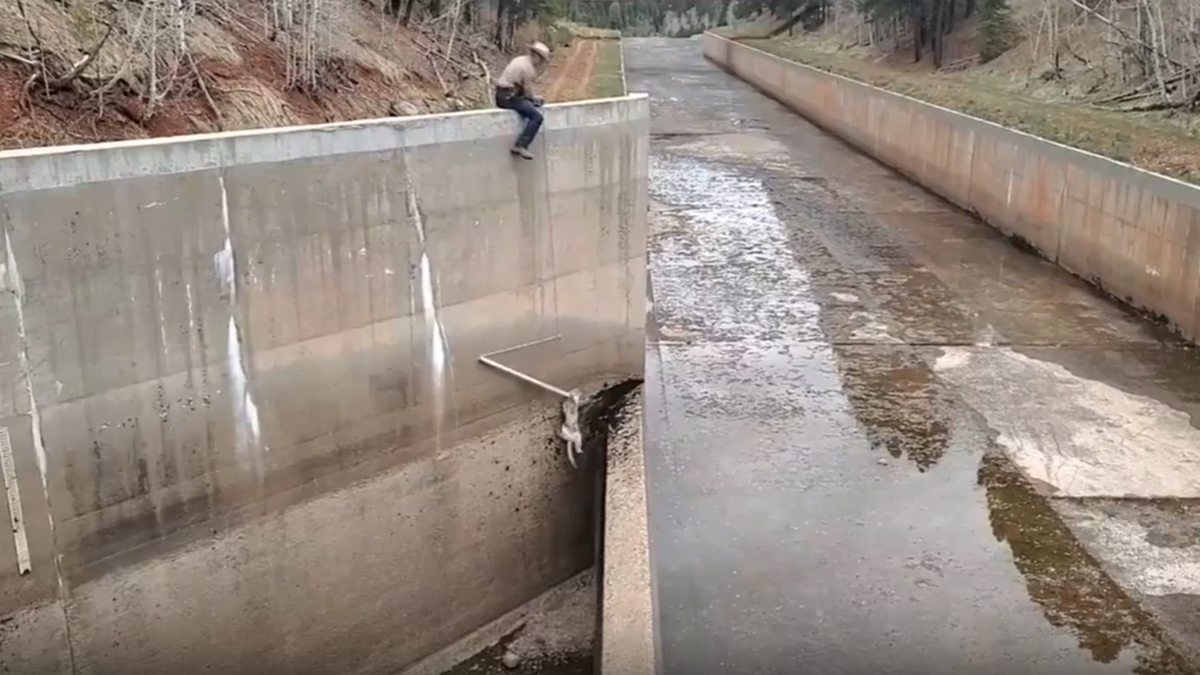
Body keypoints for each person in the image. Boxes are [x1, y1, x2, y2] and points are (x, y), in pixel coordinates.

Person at [495, 42, 551, 160]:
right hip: (509, 97)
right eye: (541, 60)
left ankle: (521, 145)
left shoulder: (519, 60)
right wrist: (535, 99)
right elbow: (527, 92)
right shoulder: (528, 69)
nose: (540, 63)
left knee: (527, 106)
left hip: (501, 95)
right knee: (537, 118)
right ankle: (521, 145)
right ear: (536, 56)